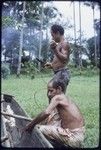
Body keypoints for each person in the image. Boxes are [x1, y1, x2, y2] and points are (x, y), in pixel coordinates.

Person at [23, 78, 85, 148]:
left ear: (59, 89)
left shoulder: (58, 98)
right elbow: (48, 113)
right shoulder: (64, 98)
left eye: (51, 91)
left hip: (73, 137)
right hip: (79, 135)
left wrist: (31, 124)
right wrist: (35, 120)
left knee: (39, 129)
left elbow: (46, 112)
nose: (49, 94)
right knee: (51, 116)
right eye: (48, 91)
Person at [44, 24, 71, 93]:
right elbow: (60, 61)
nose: (52, 37)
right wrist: (51, 65)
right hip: (58, 72)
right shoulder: (59, 44)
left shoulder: (64, 43)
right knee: (52, 92)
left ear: (58, 33)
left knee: (56, 94)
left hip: (62, 73)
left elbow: (65, 59)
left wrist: (54, 49)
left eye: (52, 35)